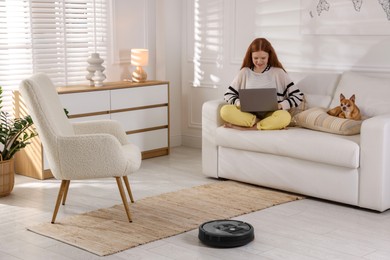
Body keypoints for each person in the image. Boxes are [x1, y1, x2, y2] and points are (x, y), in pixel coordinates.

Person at [221, 38, 304, 130]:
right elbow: (228, 95)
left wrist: (281, 105)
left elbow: (298, 96)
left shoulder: (278, 73)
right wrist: (238, 102)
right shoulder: (244, 72)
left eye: (263, 58)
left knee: (285, 117)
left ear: (269, 56)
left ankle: (248, 128)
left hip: (271, 114)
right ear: (250, 57)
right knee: (225, 111)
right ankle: (260, 123)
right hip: (249, 114)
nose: (259, 62)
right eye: (255, 58)